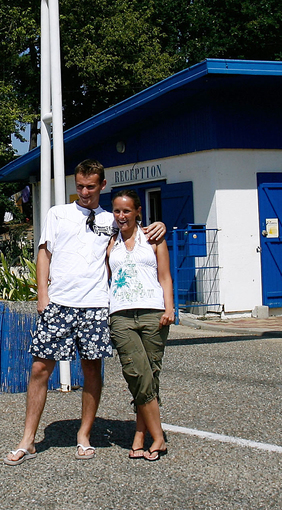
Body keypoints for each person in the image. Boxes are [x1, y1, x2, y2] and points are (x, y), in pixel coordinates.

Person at [3, 159, 164, 465]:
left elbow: (137, 229)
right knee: (40, 368)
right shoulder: (58, 213)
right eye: (79, 186)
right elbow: (44, 252)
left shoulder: (111, 218)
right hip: (59, 303)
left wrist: (161, 224)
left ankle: (84, 435)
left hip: (95, 305)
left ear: (102, 185)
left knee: (92, 369)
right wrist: (43, 294)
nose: (85, 192)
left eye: (91, 187)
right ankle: (28, 440)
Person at [106, 189, 174, 461]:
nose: (121, 216)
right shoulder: (111, 243)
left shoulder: (153, 239)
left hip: (153, 314)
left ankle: (139, 435)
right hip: (121, 315)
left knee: (151, 375)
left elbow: (165, 277)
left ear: (137, 213)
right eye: (117, 211)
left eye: (126, 211)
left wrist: (170, 309)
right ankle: (158, 437)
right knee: (136, 373)